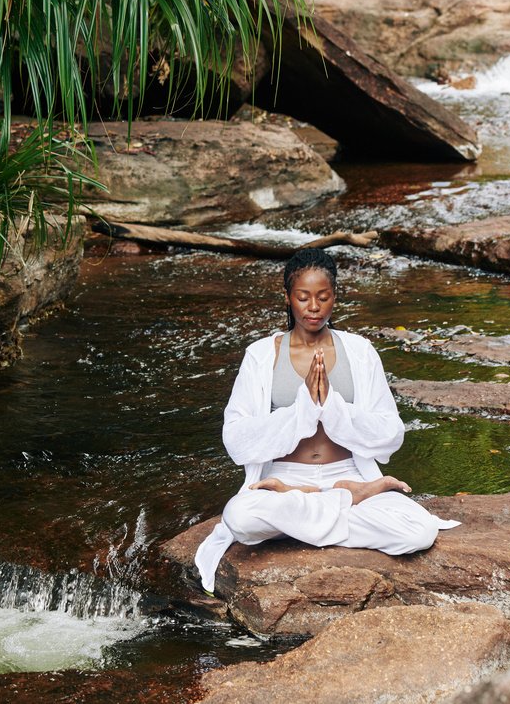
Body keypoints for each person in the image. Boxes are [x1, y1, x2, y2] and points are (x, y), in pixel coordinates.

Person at [194, 248, 458, 594]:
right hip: (284, 478)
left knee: (419, 532)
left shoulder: (360, 352)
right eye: (303, 297)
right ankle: (341, 499)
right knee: (240, 518)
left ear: (335, 297)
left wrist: (333, 407)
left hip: (346, 473)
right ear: (288, 298)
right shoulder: (261, 355)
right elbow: (237, 438)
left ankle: (322, 500)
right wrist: (301, 409)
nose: (313, 307)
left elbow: (390, 432)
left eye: (323, 297)